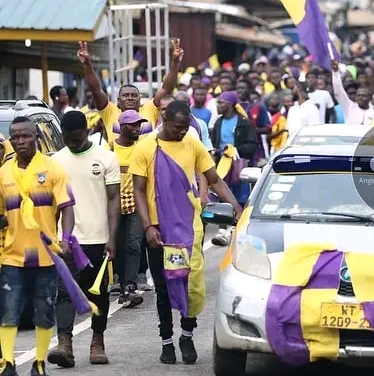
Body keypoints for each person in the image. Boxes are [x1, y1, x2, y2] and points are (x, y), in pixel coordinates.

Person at [130, 100, 243, 365]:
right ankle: (167, 341)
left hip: (189, 227)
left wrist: (237, 208)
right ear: (164, 120)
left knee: (191, 284)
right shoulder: (145, 147)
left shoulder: (192, 143)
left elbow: (214, 179)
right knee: (163, 286)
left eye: (185, 127)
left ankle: (187, 335)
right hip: (159, 230)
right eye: (177, 127)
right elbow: (138, 190)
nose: (182, 131)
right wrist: (148, 226)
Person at [0, 116, 76, 376]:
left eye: (26, 136)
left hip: (46, 256)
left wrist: (66, 238)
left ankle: (39, 363)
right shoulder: (3, 173)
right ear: (11, 141)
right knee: (8, 312)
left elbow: (67, 207)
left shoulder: (53, 169)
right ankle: (7, 363)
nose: (21, 141)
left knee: (43, 313)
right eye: (16, 137)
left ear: (36, 138)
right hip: (12, 256)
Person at [49, 111, 121, 368]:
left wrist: (112, 238)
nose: (72, 143)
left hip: (98, 239)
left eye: (76, 138)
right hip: (66, 240)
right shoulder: (56, 161)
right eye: (67, 139)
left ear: (86, 131)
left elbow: (114, 199)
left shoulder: (106, 157)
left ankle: (97, 342)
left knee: (98, 293)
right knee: (64, 292)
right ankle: (64, 345)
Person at [77, 40, 181, 143]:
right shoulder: (110, 112)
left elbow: (166, 89)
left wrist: (175, 62)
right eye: (126, 95)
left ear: (140, 99)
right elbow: (96, 90)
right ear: (118, 100)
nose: (130, 98)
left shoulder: (149, 109)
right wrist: (86, 64)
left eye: (134, 95)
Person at [211, 92, 258, 246]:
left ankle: (238, 229)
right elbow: (215, 142)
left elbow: (252, 145)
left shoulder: (244, 123)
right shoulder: (218, 122)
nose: (218, 106)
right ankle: (222, 230)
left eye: (221, 103)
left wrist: (236, 149)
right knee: (222, 196)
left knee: (240, 197)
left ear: (230, 105)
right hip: (222, 165)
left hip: (238, 166)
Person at [110, 110, 147, 306]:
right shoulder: (109, 149)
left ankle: (130, 286)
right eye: (133, 125)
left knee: (134, 244)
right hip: (114, 205)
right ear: (122, 127)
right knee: (119, 246)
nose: (137, 129)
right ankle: (122, 282)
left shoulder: (142, 149)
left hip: (136, 204)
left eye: (139, 125)